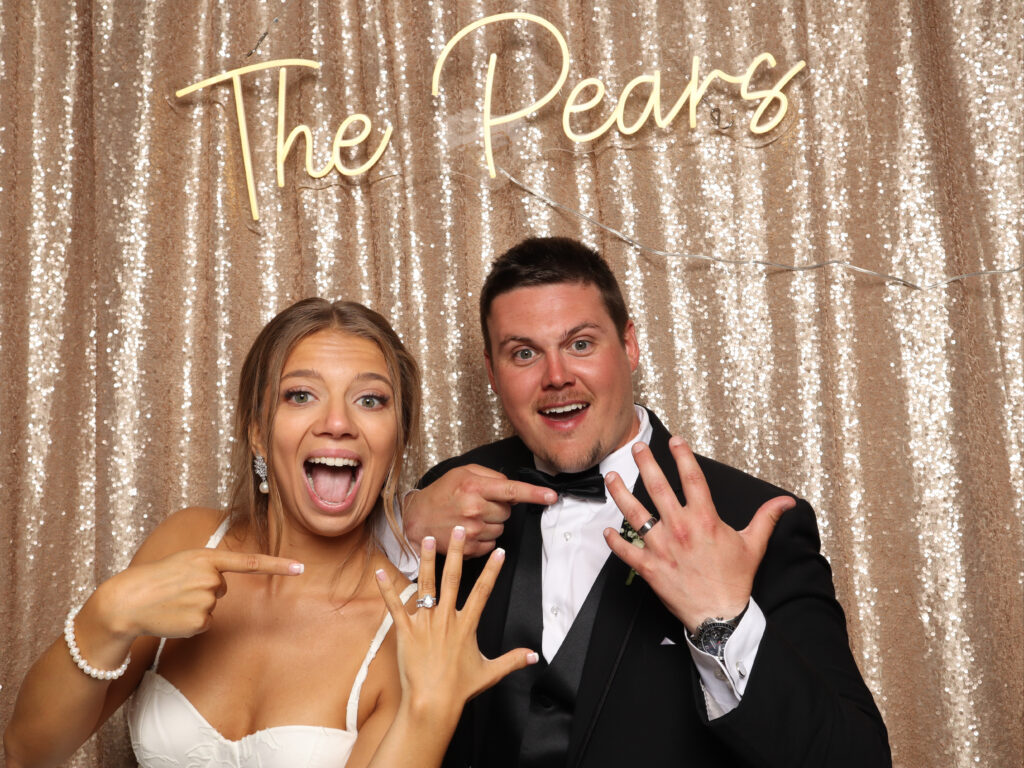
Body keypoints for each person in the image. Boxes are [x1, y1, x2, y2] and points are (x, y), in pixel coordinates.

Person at [402, 237, 892, 768]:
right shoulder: (451, 495)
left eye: (581, 344)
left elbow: (854, 757)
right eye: (524, 353)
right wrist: (400, 529)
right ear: (493, 374)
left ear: (629, 346)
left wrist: (721, 621)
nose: (556, 376)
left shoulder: (748, 515)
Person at [4, 298, 535, 768]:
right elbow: (28, 754)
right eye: (300, 395)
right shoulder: (187, 540)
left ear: (397, 440)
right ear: (258, 431)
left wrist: (432, 708)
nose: (337, 422)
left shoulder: (409, 624)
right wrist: (107, 614)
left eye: (370, 400)